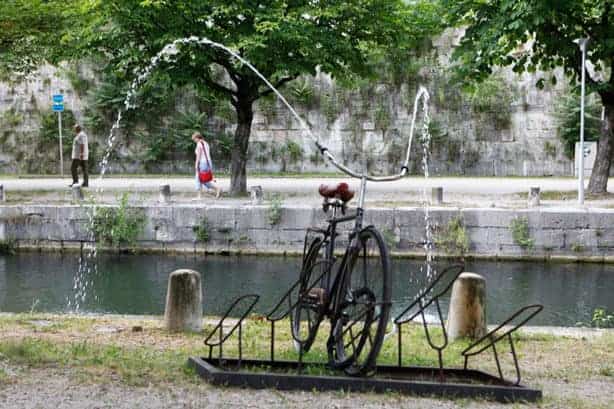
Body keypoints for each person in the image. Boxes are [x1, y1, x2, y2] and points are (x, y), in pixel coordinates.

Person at [192, 132, 222, 199]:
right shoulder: (206, 143)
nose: (194, 141)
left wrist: (196, 165)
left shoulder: (199, 144)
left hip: (202, 163)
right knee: (204, 180)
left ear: (197, 138)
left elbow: (198, 156)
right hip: (208, 163)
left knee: (198, 178)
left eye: (194, 139)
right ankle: (217, 189)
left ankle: (199, 197)